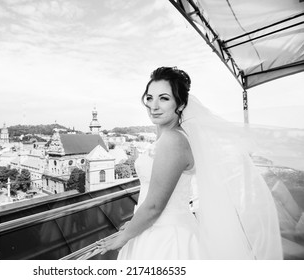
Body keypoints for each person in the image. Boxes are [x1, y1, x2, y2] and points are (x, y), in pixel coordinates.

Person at [97, 66, 283, 259]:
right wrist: (136, 223)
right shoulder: (174, 137)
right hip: (156, 228)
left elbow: (154, 206)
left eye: (164, 98)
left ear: (180, 104)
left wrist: (123, 237)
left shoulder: (172, 141)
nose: (154, 106)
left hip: (166, 240)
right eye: (150, 97)